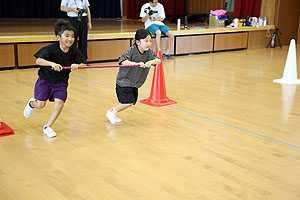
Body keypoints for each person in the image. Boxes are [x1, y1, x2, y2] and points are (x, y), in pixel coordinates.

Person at [23, 19, 86, 138]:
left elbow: (84, 64)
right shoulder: (51, 49)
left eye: (72, 36)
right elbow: (38, 60)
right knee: (41, 105)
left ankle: (47, 126)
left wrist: (77, 66)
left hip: (61, 83)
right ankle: (32, 104)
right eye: (66, 36)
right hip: (45, 81)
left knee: (59, 104)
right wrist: (51, 64)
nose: (70, 39)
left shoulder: (74, 51)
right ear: (58, 37)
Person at [106, 29, 161, 124]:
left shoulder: (149, 52)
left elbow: (158, 60)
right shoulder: (131, 51)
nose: (149, 43)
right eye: (146, 41)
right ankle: (111, 112)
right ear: (138, 42)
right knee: (128, 102)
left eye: (150, 41)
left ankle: (113, 113)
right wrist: (135, 64)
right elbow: (123, 61)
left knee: (132, 101)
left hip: (135, 82)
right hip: (124, 81)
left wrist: (150, 62)